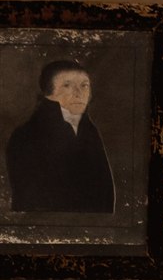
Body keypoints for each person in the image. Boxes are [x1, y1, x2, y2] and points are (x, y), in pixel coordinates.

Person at [4, 59, 115, 214]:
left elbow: (104, 192)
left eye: (84, 85)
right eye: (67, 85)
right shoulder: (26, 135)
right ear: (48, 92)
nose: (79, 93)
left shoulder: (90, 130)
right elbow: (31, 199)